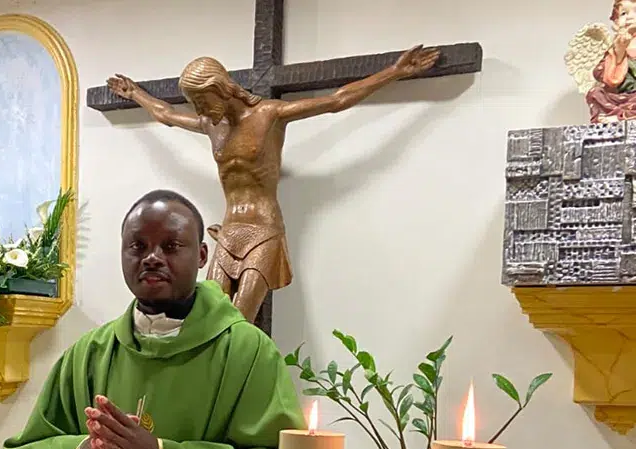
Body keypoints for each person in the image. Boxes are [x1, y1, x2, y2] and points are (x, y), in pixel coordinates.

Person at [3, 189, 303, 449]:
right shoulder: (89, 354)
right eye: (138, 246)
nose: (152, 257)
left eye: (171, 245)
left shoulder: (248, 354)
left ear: (200, 256)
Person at [106, 46, 439, 323]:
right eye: (196, 104)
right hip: (230, 232)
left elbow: (337, 100)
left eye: (203, 101)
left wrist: (394, 72)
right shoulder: (211, 125)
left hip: (264, 230)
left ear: (221, 88)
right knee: (205, 319)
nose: (200, 110)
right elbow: (165, 115)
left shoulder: (270, 115)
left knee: (239, 322)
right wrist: (134, 92)